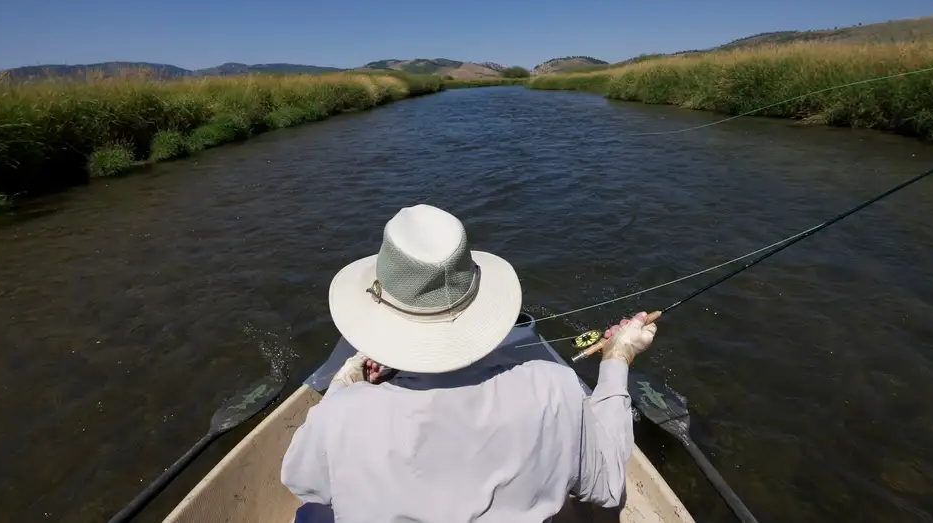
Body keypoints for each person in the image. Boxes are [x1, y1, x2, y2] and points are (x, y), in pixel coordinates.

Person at [281, 204, 657, 523]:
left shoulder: (340, 416)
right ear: (478, 299)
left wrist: (345, 389)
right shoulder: (553, 386)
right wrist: (617, 358)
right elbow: (607, 484)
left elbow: (304, 481)